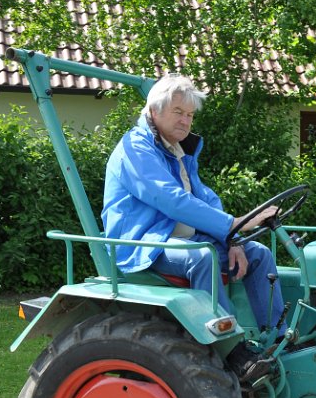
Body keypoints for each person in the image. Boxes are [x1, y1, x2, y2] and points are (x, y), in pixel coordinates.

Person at [102, 74, 284, 382]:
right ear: (154, 111)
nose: (186, 121)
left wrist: (235, 237)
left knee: (259, 254)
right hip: (143, 244)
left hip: (180, 239)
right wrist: (231, 225)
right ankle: (233, 351)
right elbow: (170, 199)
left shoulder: (176, 151)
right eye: (178, 112)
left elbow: (204, 198)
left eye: (189, 115)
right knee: (204, 257)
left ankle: (279, 342)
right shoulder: (135, 149)